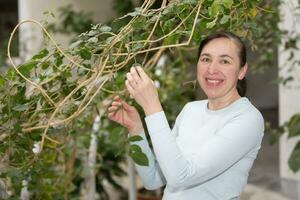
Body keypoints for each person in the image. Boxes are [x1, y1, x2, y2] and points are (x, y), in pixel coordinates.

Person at [107, 32, 264, 200]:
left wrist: (152, 106)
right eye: (206, 59)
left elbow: (181, 176)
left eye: (224, 61)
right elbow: (153, 179)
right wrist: (136, 129)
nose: (212, 69)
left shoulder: (248, 119)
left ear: (242, 70)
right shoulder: (191, 109)